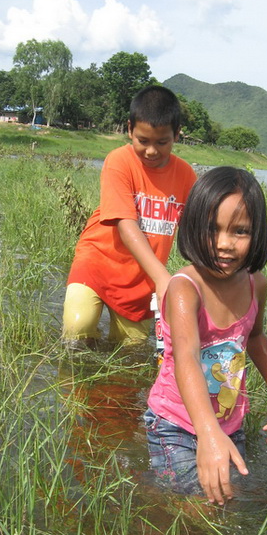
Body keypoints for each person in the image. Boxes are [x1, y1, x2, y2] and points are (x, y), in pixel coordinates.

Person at [144, 167, 267, 504]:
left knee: (227, 501)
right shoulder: (185, 289)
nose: (224, 244)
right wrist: (206, 432)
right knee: (194, 506)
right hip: (175, 423)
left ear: (257, 235)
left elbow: (254, 338)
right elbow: (187, 358)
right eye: (213, 229)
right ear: (194, 226)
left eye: (240, 231)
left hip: (228, 422)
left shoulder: (256, 285)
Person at [62, 85, 197, 346]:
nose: (151, 151)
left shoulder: (186, 175)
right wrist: (162, 277)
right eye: (142, 141)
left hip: (141, 282)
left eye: (162, 142)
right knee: (78, 331)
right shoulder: (119, 161)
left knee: (130, 353)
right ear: (129, 130)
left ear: (177, 135)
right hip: (97, 265)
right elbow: (126, 224)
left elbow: (195, 233)